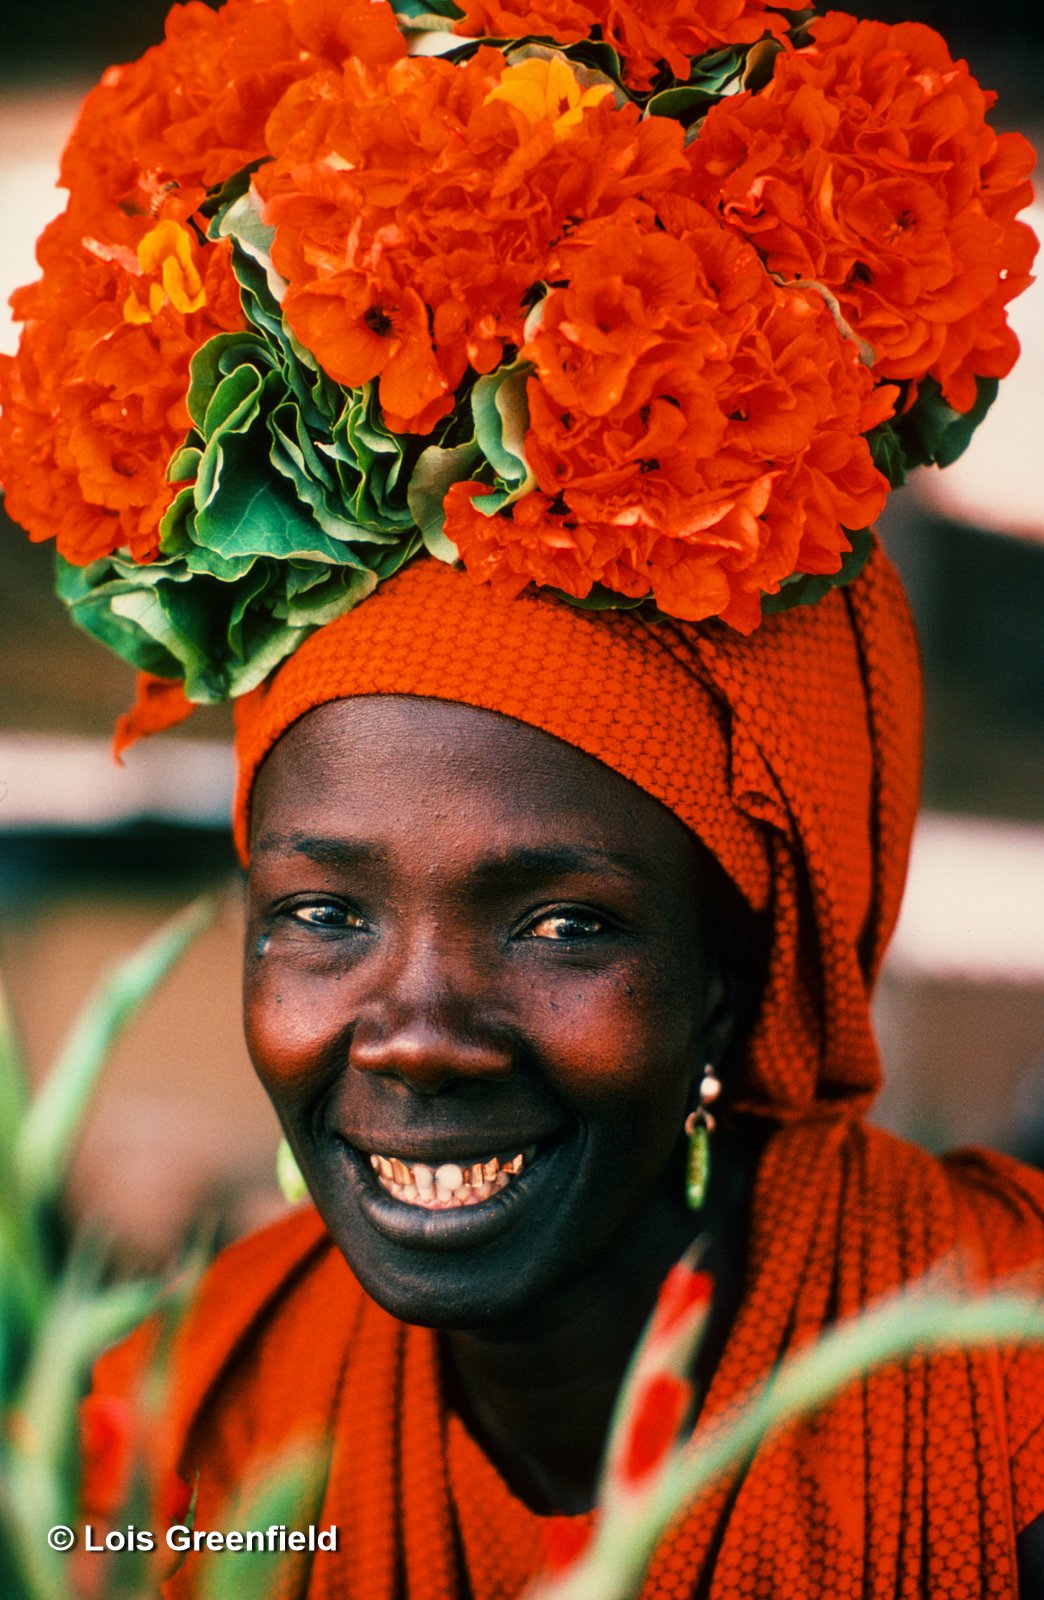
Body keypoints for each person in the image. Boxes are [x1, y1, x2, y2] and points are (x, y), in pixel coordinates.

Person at [1, 1, 1041, 1594]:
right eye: (323, 914)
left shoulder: (1010, 1406)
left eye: (562, 921)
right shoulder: (169, 1437)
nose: (414, 1027)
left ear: (742, 967)